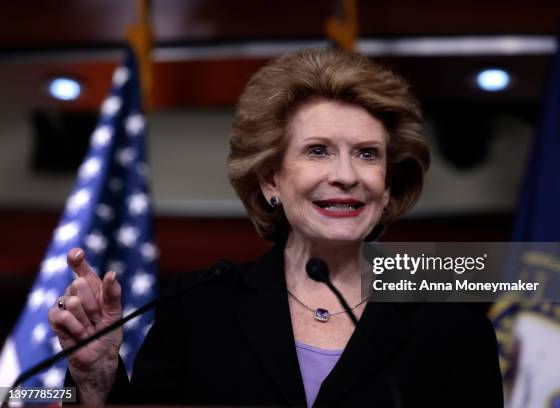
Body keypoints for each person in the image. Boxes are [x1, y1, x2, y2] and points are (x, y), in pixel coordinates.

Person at [48, 48, 503, 407]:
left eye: (367, 154)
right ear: (270, 181)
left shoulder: (453, 329)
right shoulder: (198, 310)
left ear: (386, 188)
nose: (346, 175)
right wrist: (96, 379)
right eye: (318, 150)